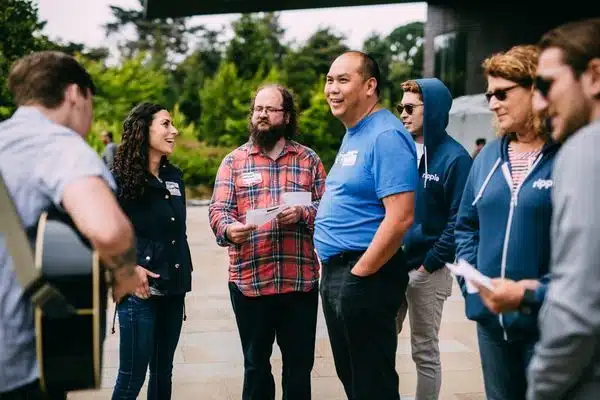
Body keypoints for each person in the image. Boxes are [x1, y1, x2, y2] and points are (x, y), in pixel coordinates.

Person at [0, 51, 141, 399]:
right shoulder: (58, 146)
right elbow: (108, 230)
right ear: (75, 94)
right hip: (15, 371)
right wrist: (124, 275)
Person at [208, 84, 327, 400]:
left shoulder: (309, 160)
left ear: (286, 116)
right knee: (255, 369)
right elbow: (218, 210)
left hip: (298, 284)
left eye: (269, 109)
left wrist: (302, 212)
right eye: (257, 109)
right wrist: (229, 230)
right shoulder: (234, 162)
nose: (261, 115)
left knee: (299, 371)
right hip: (250, 284)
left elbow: (328, 210)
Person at [454, 44, 559, 399]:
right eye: (488, 95)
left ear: (535, 89)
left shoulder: (569, 155)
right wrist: (473, 284)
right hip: (492, 325)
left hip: (548, 324)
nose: (493, 103)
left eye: (502, 93)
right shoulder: (485, 161)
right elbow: (465, 225)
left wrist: (536, 293)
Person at [314, 51, 418, 400]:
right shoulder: (355, 132)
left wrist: (359, 275)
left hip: (364, 275)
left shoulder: (386, 135)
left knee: (372, 385)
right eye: (330, 80)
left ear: (370, 86)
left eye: (343, 80)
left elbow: (401, 216)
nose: (332, 88)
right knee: (354, 379)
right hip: (338, 273)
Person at [525, 18, 600, 400]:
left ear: (595, 76)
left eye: (547, 84)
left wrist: (540, 386)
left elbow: (578, 307)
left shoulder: (587, 148)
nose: (538, 102)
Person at [110, 102, 193, 400]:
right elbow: (98, 234)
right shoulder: (117, 179)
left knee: (162, 374)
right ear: (143, 130)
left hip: (173, 289)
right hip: (137, 295)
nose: (175, 131)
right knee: (132, 378)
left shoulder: (175, 177)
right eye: (166, 124)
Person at [395, 78, 472, 400]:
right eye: (400, 107)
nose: (402, 114)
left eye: (410, 108)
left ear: (434, 111)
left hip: (429, 270)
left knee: (424, 351)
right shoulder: (401, 149)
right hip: (392, 265)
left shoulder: (456, 158)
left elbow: (459, 221)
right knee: (380, 342)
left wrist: (428, 265)